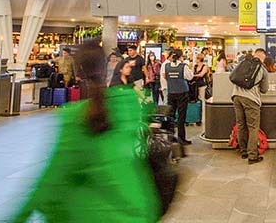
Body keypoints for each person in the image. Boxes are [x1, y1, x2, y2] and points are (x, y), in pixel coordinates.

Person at [12, 41, 159, 222]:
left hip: (93, 216)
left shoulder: (77, 118)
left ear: (79, 72)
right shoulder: (128, 104)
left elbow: (52, 181)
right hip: (138, 212)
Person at [232, 48, 269, 164]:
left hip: (236, 96)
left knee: (241, 124)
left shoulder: (243, 63)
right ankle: (252, 155)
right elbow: (264, 90)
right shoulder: (262, 70)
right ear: (263, 58)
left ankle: (243, 151)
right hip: (251, 100)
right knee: (253, 127)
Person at [161, 49, 194, 145]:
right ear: (181, 57)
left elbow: (165, 76)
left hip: (171, 92)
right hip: (182, 93)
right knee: (181, 117)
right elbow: (190, 77)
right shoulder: (183, 66)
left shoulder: (166, 66)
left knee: (171, 116)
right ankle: (181, 138)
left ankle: (170, 137)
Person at [193, 53, 210, 126]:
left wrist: (193, 75)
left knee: (202, 99)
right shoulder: (195, 66)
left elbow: (201, 74)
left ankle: (203, 115)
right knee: (198, 99)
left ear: (200, 59)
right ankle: (198, 114)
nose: (196, 60)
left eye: (197, 58)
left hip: (203, 85)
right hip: (195, 85)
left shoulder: (205, 66)